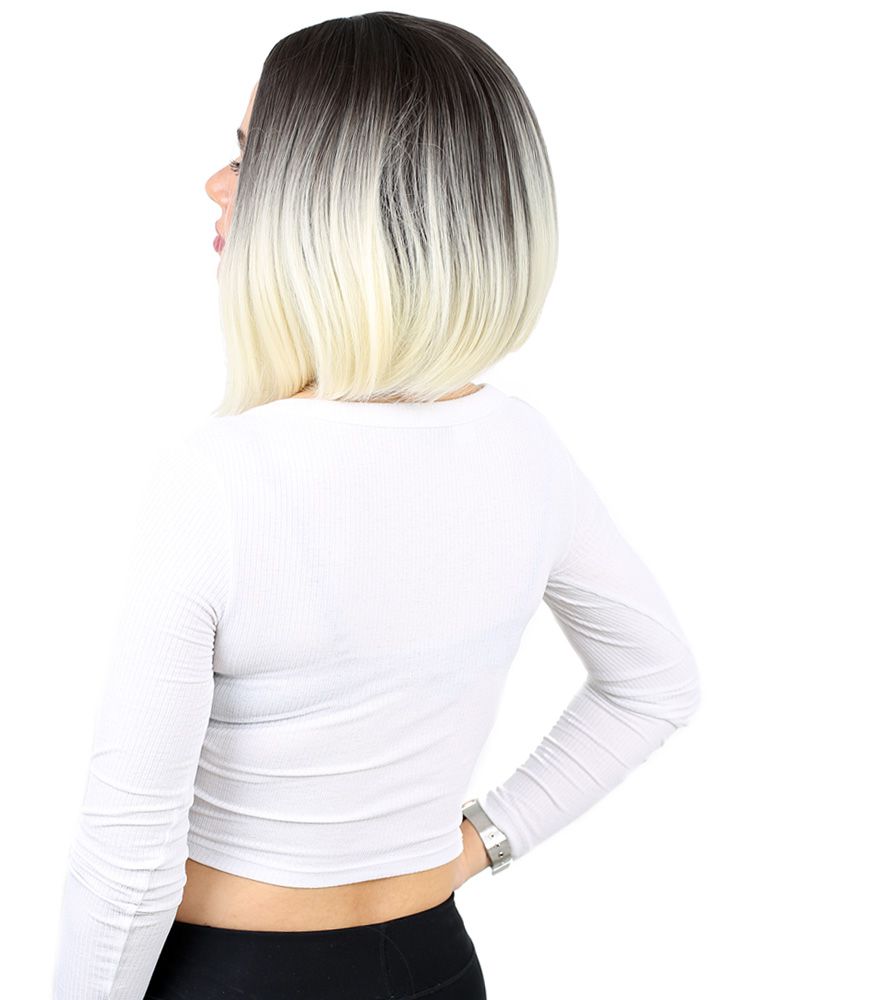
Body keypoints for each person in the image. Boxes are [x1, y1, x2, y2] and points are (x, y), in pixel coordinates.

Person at [51, 12, 701, 1000]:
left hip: (236, 974)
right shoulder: (524, 449)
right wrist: (481, 842)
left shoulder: (219, 477)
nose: (216, 184)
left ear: (333, 202)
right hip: (433, 966)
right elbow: (655, 684)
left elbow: (129, 859)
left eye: (249, 156)